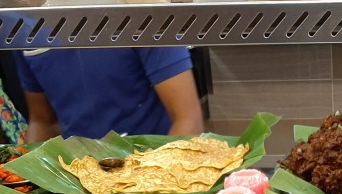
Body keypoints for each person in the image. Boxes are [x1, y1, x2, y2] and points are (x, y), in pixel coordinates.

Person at [14, 47, 204, 143]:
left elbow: (188, 118)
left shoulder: (142, 11)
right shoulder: (26, 27)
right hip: (79, 180)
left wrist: (156, 180)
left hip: (152, 169)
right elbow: (42, 120)